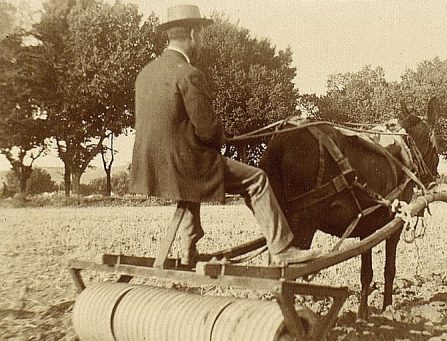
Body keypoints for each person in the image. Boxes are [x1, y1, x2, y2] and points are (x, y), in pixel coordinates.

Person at [130, 4, 318, 266]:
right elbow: (207, 129)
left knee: (189, 186)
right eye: (202, 34)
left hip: (150, 165)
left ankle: (187, 249)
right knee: (257, 180)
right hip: (185, 164)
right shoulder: (189, 74)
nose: (202, 40)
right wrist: (221, 138)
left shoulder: (145, 74)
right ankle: (282, 248)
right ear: (193, 34)